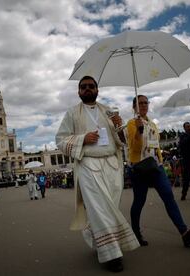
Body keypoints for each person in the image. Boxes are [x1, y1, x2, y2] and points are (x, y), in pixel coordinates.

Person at [56, 76, 139, 272]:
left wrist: (120, 126)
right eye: (83, 87)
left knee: (110, 207)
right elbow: (60, 140)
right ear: (78, 92)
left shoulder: (109, 112)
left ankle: (100, 240)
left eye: (91, 86)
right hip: (88, 165)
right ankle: (112, 255)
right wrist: (83, 138)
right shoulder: (72, 113)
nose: (87, 89)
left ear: (97, 90)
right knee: (99, 208)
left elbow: (122, 141)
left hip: (112, 165)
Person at [125, 95, 190, 248]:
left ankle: (185, 233)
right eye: (139, 103)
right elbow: (135, 148)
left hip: (156, 166)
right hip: (139, 167)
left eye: (145, 103)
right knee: (139, 201)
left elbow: (156, 146)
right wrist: (138, 131)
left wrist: (160, 161)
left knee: (168, 196)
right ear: (134, 106)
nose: (143, 105)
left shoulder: (153, 124)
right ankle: (135, 232)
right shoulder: (131, 124)